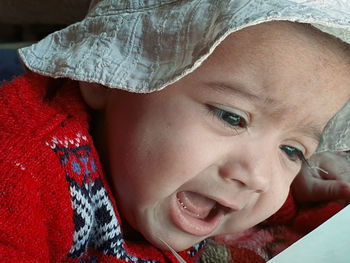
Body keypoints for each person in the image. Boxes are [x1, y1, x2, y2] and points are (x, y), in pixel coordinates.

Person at [1, 1, 350, 262]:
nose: (259, 177)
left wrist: (296, 194)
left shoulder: (202, 183)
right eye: (231, 118)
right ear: (105, 76)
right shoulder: (21, 169)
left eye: (292, 151)